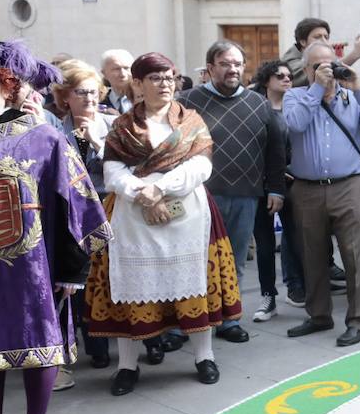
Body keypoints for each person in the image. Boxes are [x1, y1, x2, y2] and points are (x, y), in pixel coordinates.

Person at [0, 41, 112, 414]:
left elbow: (77, 205)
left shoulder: (43, 138)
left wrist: (72, 269)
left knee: (38, 346)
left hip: (33, 270)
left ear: (7, 87)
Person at [84, 53, 243, 395]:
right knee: (133, 287)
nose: (165, 84)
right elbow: (112, 172)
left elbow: (201, 167)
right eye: (155, 78)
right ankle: (127, 366)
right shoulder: (123, 126)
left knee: (194, 284)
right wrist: (143, 194)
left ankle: (204, 357)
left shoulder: (191, 121)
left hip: (187, 216)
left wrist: (160, 188)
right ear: (138, 84)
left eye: (169, 77)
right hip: (133, 218)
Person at [177, 41, 287, 342]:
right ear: (210, 67)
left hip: (245, 195)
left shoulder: (259, 103)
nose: (233, 69)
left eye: (237, 63)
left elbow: (275, 151)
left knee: (234, 261)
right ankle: (188, 322)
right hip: (199, 198)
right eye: (225, 63)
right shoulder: (186, 102)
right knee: (194, 260)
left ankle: (229, 319)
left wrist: (276, 189)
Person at [282, 41, 360, 346]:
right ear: (306, 70)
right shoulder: (295, 96)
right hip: (307, 189)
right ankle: (318, 316)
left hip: (349, 186)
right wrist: (317, 88)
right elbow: (296, 123)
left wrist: (359, 88)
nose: (325, 70)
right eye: (317, 66)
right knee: (312, 255)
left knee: (355, 256)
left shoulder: (352, 97)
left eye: (329, 64)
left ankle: (359, 320)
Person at [53, 60, 118, 373]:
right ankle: (95, 347)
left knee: (113, 278)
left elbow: (125, 168)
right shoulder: (54, 129)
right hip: (74, 215)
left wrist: (97, 141)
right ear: (66, 96)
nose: (91, 98)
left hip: (110, 209)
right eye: (82, 92)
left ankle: (143, 340)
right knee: (82, 282)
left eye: (95, 92)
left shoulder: (114, 122)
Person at [249, 59, 305, 320]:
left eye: (289, 76)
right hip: (263, 185)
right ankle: (267, 296)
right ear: (266, 80)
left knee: (296, 239)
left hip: (294, 183)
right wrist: (272, 174)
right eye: (279, 75)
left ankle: (296, 288)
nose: (286, 79)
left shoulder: (296, 107)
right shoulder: (255, 108)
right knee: (264, 244)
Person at [280, 17, 360, 87]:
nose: (324, 42)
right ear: (302, 42)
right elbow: (315, 73)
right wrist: (354, 55)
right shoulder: (289, 62)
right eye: (317, 37)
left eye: (326, 37)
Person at [98, 49, 134, 115]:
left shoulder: (146, 99)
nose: (123, 74)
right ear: (104, 73)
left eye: (126, 68)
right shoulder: (97, 103)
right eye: (116, 69)